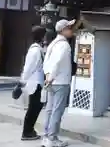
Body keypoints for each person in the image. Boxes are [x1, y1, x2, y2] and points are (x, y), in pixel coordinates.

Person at [42, 19, 76, 147]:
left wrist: (47, 76)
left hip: (51, 81)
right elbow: (57, 62)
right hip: (60, 81)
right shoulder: (64, 45)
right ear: (63, 30)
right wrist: (51, 77)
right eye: (69, 27)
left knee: (50, 110)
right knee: (57, 110)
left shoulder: (53, 44)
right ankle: (52, 138)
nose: (71, 30)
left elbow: (46, 62)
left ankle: (46, 137)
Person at [20, 26, 47, 141]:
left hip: (38, 83)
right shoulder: (35, 50)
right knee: (33, 108)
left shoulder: (38, 49)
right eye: (45, 35)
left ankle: (29, 130)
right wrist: (21, 82)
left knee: (36, 107)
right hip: (34, 83)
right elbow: (28, 68)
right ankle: (27, 132)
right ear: (41, 36)